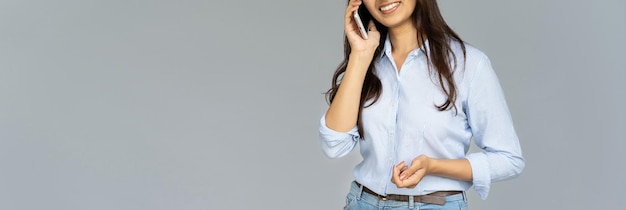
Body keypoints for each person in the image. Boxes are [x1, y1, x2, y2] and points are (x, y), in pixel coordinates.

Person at [318, 0, 525, 209]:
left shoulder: (468, 64)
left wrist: (433, 166)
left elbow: (509, 160)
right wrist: (360, 55)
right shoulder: (366, 63)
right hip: (362, 203)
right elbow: (334, 145)